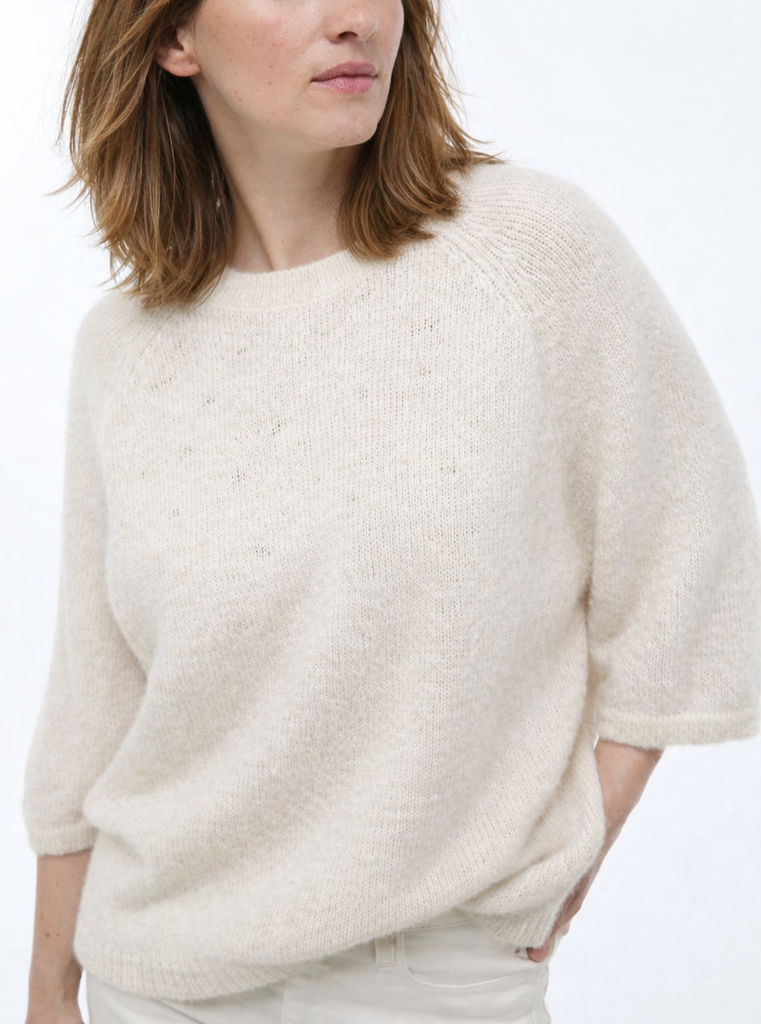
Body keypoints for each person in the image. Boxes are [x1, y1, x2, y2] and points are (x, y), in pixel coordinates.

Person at [22, 0, 761, 1022]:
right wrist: (47, 991)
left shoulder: (526, 252)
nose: (352, 19)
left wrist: (580, 836)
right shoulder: (124, 345)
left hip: (432, 979)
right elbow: (93, 703)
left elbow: (691, 548)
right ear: (172, 39)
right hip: (152, 982)